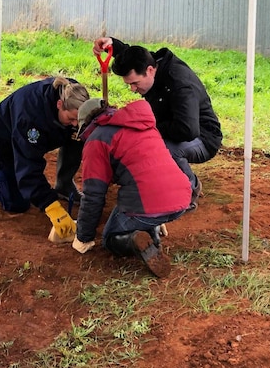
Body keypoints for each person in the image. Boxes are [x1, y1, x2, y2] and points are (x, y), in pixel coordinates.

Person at [93, 36, 221, 210]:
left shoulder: (180, 84)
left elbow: (188, 130)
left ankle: (190, 190)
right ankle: (165, 182)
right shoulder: (148, 63)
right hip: (174, 127)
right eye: (129, 84)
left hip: (203, 137)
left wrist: (149, 130)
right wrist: (113, 46)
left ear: (151, 70)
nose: (132, 89)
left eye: (135, 83)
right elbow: (133, 55)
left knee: (166, 150)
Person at [71, 98, 191, 278]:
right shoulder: (144, 125)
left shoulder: (97, 139)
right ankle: (153, 232)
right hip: (182, 198)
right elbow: (153, 169)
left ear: (86, 124)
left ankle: (135, 238)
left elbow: (93, 195)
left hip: (149, 202)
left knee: (110, 238)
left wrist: (83, 237)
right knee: (140, 205)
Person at [0, 76, 89, 242]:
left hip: (38, 134)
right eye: (71, 119)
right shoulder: (31, 118)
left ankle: (64, 185)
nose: (75, 123)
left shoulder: (74, 94)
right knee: (16, 203)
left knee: (78, 134)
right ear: (59, 105)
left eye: (77, 119)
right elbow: (28, 168)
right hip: (3, 139)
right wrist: (52, 207)